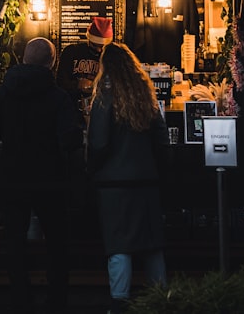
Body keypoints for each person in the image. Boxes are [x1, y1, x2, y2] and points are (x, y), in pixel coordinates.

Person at [0, 37, 84, 314]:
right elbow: (71, 140)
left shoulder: (3, 93)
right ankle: (56, 302)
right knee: (57, 243)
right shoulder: (58, 97)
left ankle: (21, 301)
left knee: (14, 242)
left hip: (14, 176)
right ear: (52, 63)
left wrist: (9, 131)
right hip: (51, 179)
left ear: (23, 58)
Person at [87, 42, 170, 314]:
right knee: (152, 243)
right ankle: (161, 298)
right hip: (146, 179)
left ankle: (119, 301)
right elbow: (161, 140)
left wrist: (92, 168)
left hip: (114, 183)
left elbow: (98, 143)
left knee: (119, 243)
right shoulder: (145, 93)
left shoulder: (105, 94)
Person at [57, 16, 114, 118]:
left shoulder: (112, 59)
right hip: (71, 110)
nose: (98, 50)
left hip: (101, 111)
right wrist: (77, 84)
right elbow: (59, 82)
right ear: (88, 39)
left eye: (102, 47)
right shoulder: (72, 52)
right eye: (94, 45)